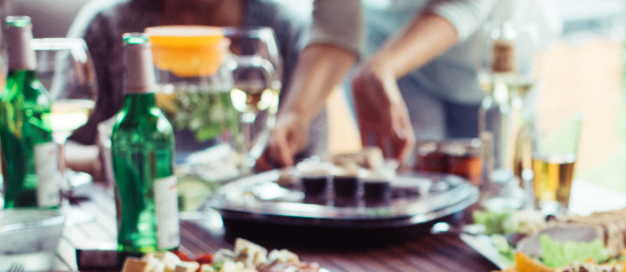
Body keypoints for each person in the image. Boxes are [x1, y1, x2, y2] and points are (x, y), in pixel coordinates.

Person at [264, 0, 556, 167]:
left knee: (498, 193)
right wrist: (296, 114)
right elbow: (336, 25)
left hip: (493, 58)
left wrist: (384, 66)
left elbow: (463, 5)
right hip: (389, 54)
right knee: (409, 184)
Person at [64, 0, 321, 176]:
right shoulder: (107, 23)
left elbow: (311, 154)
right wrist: (103, 160)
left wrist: (282, 144)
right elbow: (53, 143)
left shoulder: (283, 27)